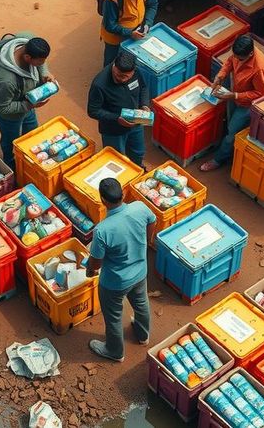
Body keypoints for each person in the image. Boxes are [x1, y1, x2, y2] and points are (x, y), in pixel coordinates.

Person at [86, 178, 155, 362]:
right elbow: (152, 220)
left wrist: (89, 271)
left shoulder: (102, 230)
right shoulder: (139, 207)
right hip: (140, 271)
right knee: (141, 303)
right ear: (123, 194)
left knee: (114, 316)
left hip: (115, 283)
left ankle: (115, 351)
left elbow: (95, 264)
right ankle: (143, 336)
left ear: (102, 200)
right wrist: (146, 242)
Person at [199, 35, 264, 172]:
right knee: (228, 123)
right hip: (233, 93)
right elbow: (229, 61)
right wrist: (220, 76)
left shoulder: (261, 68)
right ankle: (226, 147)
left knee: (232, 131)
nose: (237, 60)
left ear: (250, 54)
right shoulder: (238, 54)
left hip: (246, 105)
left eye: (240, 59)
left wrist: (235, 95)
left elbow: (261, 94)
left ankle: (219, 159)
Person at [0, 35, 55, 169]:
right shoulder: (6, 81)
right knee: (11, 140)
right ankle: (10, 163)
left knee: (32, 133)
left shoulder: (26, 39)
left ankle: (31, 159)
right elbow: (1, 107)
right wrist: (29, 105)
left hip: (27, 104)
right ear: (27, 58)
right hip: (9, 115)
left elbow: (42, 64)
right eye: (40, 61)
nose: (42, 64)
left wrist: (45, 72)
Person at [86, 51, 150, 168]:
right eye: (119, 75)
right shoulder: (99, 84)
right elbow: (93, 110)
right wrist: (117, 118)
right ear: (114, 66)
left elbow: (144, 88)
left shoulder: (137, 72)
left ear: (133, 72)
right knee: (115, 159)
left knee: (138, 152)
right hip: (113, 130)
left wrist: (145, 105)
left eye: (126, 77)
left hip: (135, 122)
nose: (122, 79)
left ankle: (137, 169)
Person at [100, 0, 159, 67]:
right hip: (115, 39)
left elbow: (152, 4)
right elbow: (109, 25)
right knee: (111, 64)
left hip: (136, 32)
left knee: (129, 64)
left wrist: (148, 24)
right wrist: (130, 33)